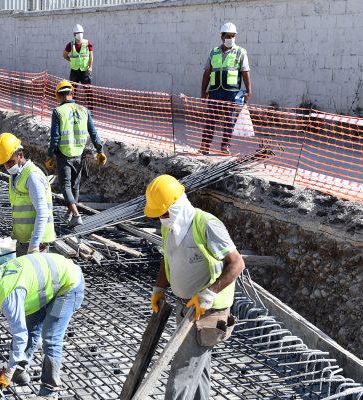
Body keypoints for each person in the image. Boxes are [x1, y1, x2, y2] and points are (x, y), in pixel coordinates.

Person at [145, 174, 245, 400]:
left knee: (182, 372)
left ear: (176, 205)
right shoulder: (169, 227)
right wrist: (159, 289)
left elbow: (237, 264)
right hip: (187, 307)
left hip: (206, 312)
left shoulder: (207, 225)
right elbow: (168, 258)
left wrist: (209, 293)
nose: (161, 218)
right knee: (198, 371)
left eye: (163, 212)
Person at [0, 253, 85, 399]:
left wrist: (8, 371)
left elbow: (20, 337)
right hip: (46, 282)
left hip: (68, 284)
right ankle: (19, 372)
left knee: (51, 339)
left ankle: (50, 391)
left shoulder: (9, 297)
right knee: (30, 328)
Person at [47, 80, 107, 227]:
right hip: (79, 153)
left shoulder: (58, 111)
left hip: (64, 154)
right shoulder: (84, 110)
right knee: (75, 185)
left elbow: (55, 137)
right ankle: (70, 212)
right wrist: (100, 151)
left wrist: (50, 155)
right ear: (72, 93)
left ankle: (75, 214)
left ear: (58, 95)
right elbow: (93, 133)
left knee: (65, 185)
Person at [0, 132, 55, 256]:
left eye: (10, 161)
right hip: (23, 241)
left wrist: (35, 244)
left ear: (20, 155)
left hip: (37, 243)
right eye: (4, 162)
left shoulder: (33, 176)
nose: (7, 166)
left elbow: (42, 213)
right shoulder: (16, 176)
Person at [200, 21, 252, 155]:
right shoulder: (213, 52)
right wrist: (203, 92)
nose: (230, 39)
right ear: (222, 37)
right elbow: (207, 73)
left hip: (231, 92)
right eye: (228, 36)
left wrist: (248, 91)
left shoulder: (240, 52)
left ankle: (225, 147)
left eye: (232, 36)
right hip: (215, 91)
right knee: (211, 118)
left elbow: (245, 72)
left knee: (229, 120)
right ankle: (205, 146)